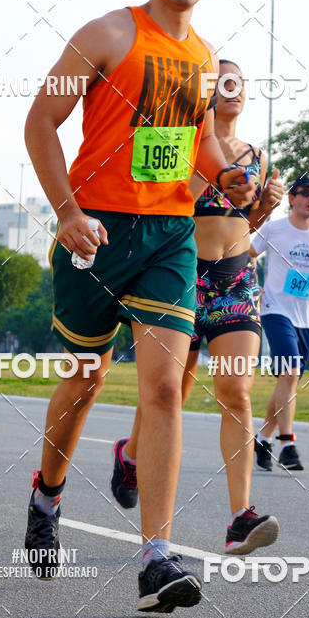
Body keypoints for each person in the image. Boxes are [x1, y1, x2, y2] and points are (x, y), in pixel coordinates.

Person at [23, 0, 258, 614]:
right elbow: (40, 122)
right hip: (95, 231)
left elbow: (198, 147)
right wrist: (67, 214)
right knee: (87, 380)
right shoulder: (105, 35)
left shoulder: (206, 59)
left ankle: (157, 555)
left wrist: (232, 177)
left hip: (167, 237)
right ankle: (47, 493)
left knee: (162, 388)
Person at [111, 60, 285, 554]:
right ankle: (132, 455)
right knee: (171, 394)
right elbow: (164, 209)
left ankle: (239, 518)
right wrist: (213, 176)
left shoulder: (258, 155)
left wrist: (265, 206)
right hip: (180, 277)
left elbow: (245, 228)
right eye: (222, 82)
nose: (232, 90)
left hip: (234, 282)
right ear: (205, 93)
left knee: (236, 389)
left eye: (239, 83)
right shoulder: (182, 147)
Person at [250, 175, 309, 471]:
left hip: (308, 318)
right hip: (276, 310)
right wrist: (253, 285)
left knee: (287, 383)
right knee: (289, 372)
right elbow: (248, 255)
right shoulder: (274, 229)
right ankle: (288, 444)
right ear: (292, 198)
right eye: (305, 193)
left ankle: (262, 438)